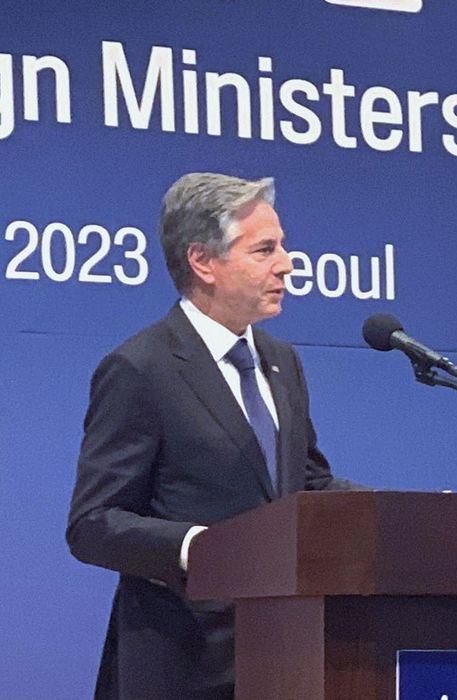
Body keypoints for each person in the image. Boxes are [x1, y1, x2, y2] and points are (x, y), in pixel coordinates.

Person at [67, 173, 359, 699]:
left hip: (285, 658)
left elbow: (305, 487)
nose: (287, 264)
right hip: (182, 666)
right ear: (203, 262)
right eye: (265, 249)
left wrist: (415, 509)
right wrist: (197, 548)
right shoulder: (141, 369)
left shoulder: (281, 362)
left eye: (283, 246)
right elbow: (93, 523)